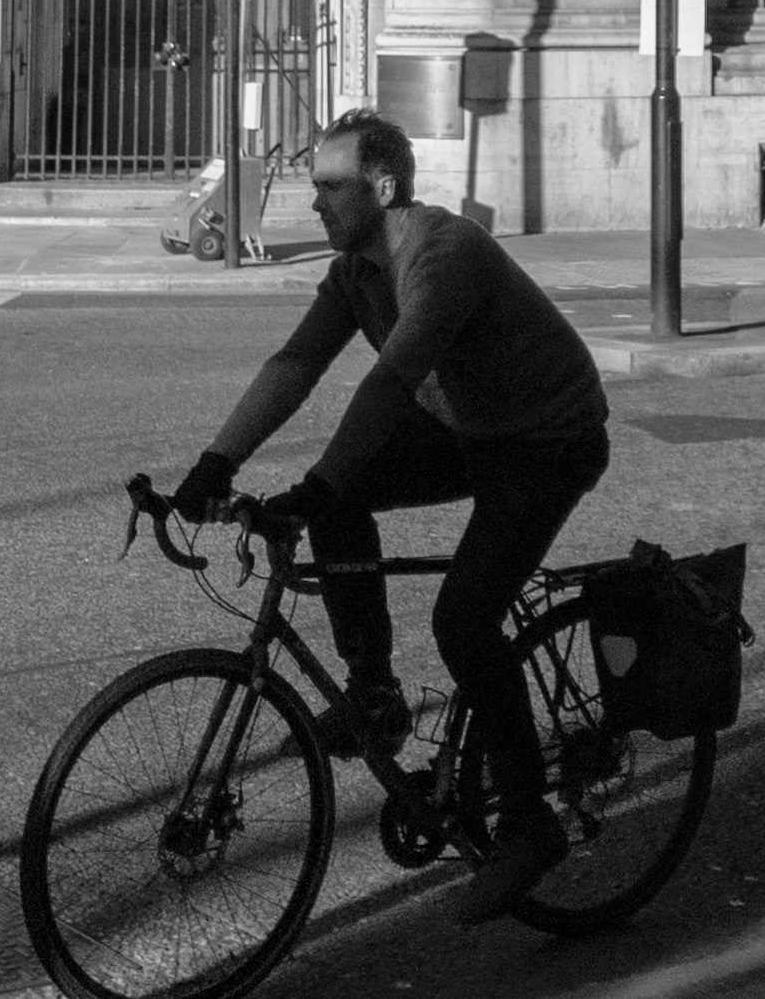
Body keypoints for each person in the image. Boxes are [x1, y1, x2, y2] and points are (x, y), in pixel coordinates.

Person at [170, 109, 612, 925]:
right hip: (469, 429)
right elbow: (296, 363)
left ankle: (527, 823)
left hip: (547, 442)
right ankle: (375, 692)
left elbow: (388, 384)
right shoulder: (356, 273)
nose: (314, 205)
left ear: (382, 187)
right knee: (342, 494)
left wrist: (319, 483)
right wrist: (215, 463)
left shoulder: (443, 254)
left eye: (330, 189)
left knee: (465, 621)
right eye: (314, 189)